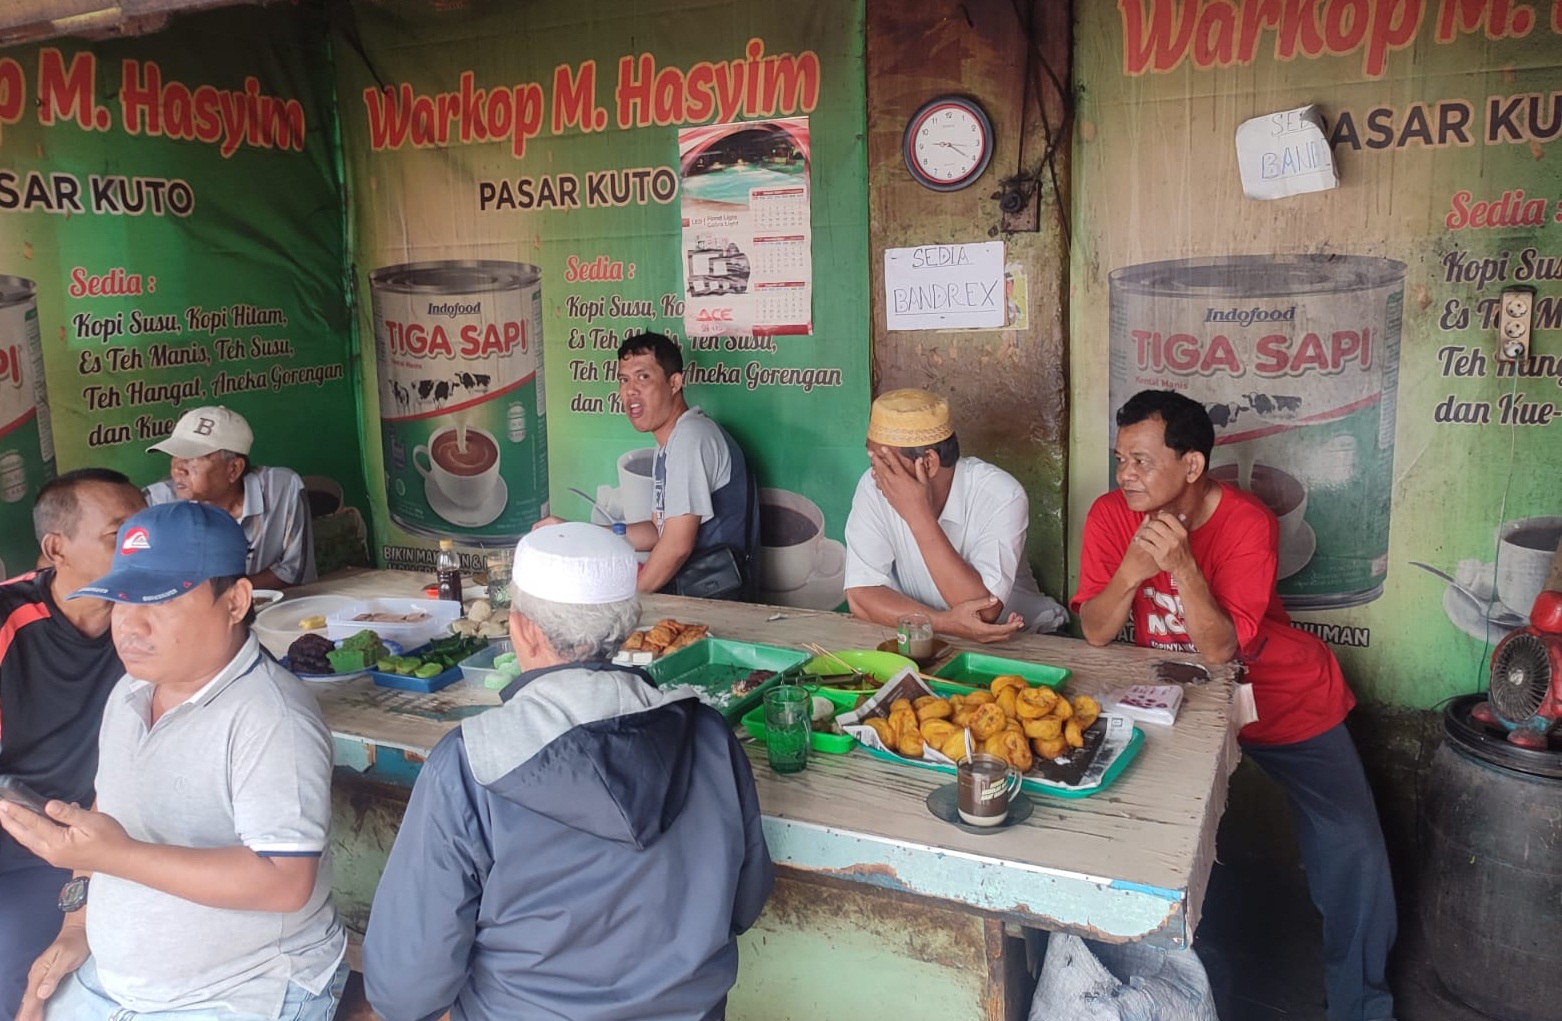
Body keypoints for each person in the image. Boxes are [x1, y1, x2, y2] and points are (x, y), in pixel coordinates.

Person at [1071, 389, 1396, 1021]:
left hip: (1278, 698)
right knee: (1133, 836)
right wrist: (1132, 571)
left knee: (1353, 845)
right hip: (1168, 706)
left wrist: (1183, 566)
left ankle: (1362, 1006)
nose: (1125, 476)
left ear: (1191, 466)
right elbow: (1096, 631)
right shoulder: (1112, 516)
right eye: (1120, 460)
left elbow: (1222, 651)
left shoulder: (1248, 522)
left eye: (1141, 460)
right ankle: (1153, 985)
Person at [363, 522, 773, 1021]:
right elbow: (744, 902)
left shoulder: (469, 766)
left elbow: (404, 990)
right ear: (628, 623)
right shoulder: (709, 737)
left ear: (523, 630)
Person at [0, 501, 346, 1021]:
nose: (130, 627)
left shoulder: (268, 718)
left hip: (237, 990)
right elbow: (108, 812)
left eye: (158, 605)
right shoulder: (129, 692)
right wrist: (76, 927)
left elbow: (284, 880)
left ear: (235, 601)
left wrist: (115, 856)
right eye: (119, 602)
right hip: (115, 983)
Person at [0, 470, 145, 1020]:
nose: (139, 545)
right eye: (119, 534)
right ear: (56, 548)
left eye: (144, 529)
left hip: (93, 839)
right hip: (15, 832)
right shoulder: (9, 621)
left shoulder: (151, 622)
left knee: (25, 979)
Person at [538, 333, 759, 599]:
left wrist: (626, 602)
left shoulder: (692, 437)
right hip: (691, 597)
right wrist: (578, 532)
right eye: (624, 379)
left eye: (643, 377)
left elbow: (677, 546)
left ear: (674, 382)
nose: (630, 390)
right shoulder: (670, 443)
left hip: (715, 603)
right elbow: (657, 531)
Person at [844, 388, 1066, 642]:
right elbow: (861, 596)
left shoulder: (1001, 494)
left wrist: (918, 516)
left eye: (886, 464)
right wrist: (940, 623)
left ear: (928, 462)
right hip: (931, 640)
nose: (877, 474)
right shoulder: (873, 486)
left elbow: (983, 612)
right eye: (873, 463)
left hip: (1025, 641)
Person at [144, 405, 317, 589]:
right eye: (175, 455)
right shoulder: (154, 504)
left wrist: (231, 596)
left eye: (192, 457)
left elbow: (294, 570)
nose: (177, 468)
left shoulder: (282, 488)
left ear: (233, 469)